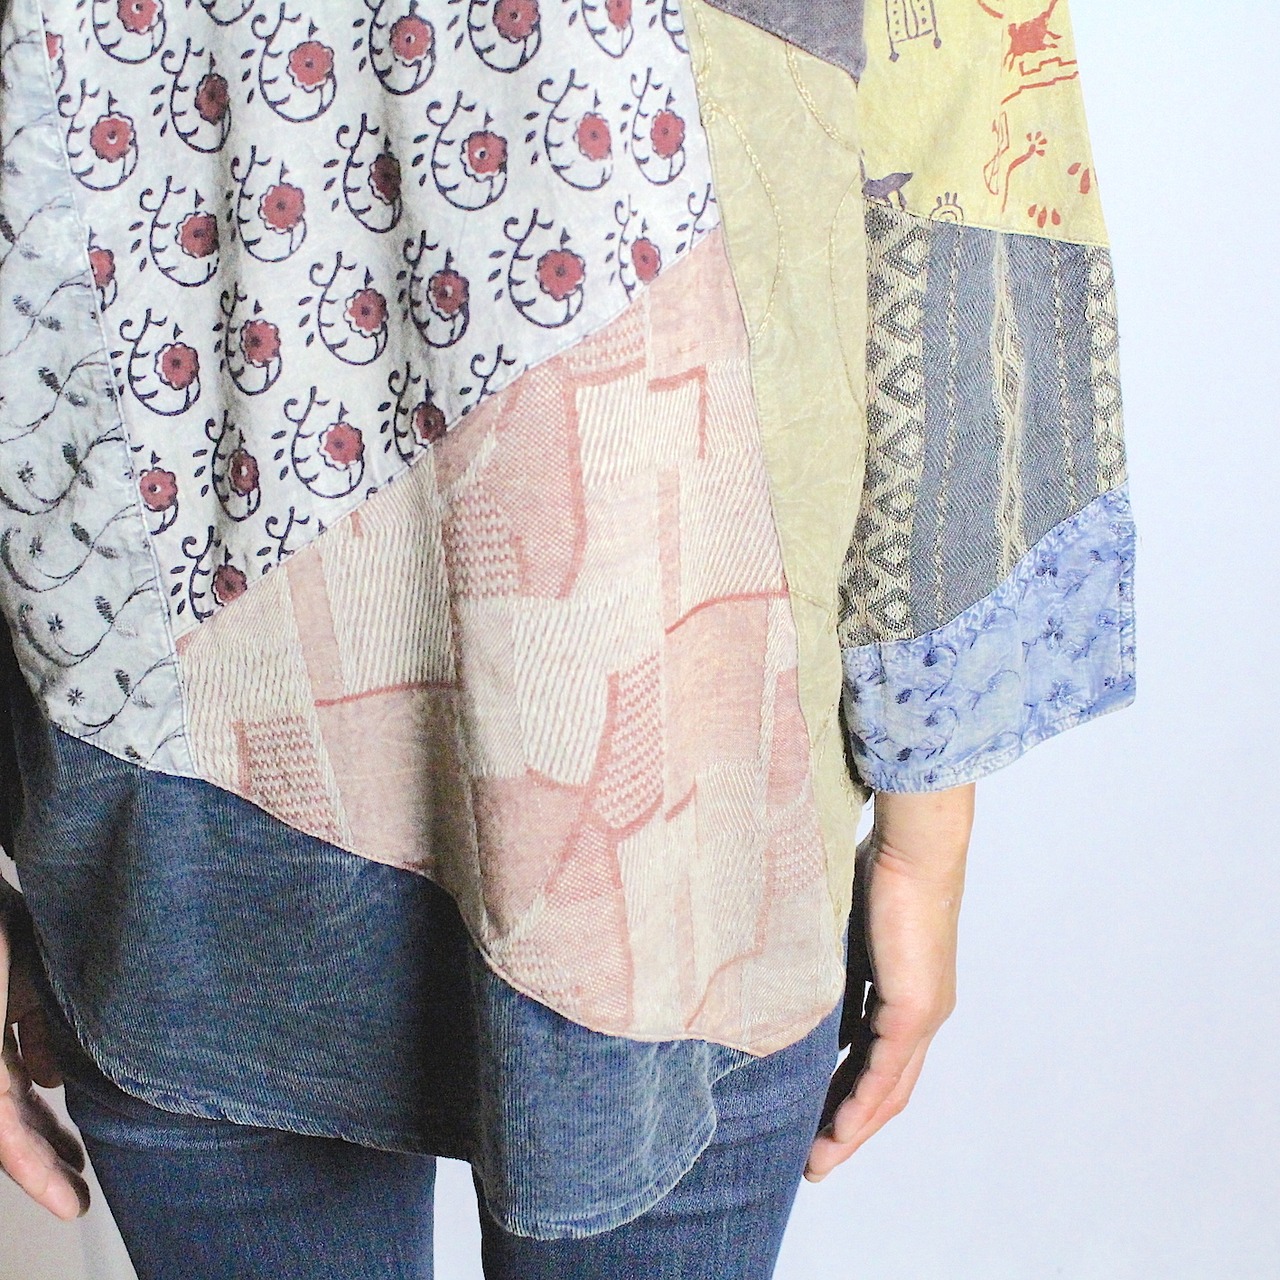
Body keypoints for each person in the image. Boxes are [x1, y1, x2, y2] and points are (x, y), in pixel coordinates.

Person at [0, 0, 1135, 1275]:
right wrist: (926, 833)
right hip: (666, 764)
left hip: (180, 765)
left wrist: (928, 829)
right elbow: (956, 129)